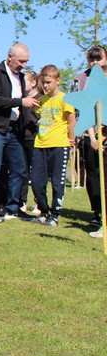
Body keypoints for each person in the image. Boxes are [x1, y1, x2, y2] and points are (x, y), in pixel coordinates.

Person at [0, 43, 39, 223]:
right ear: (10, 56)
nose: (24, 65)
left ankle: (12, 208)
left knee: (20, 169)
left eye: (26, 62)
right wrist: (20, 101)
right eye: (21, 61)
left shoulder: (21, 78)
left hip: (13, 130)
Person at [29, 65, 76, 227]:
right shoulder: (41, 100)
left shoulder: (65, 99)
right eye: (43, 83)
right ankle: (44, 211)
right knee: (36, 181)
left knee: (57, 182)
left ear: (58, 81)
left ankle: (54, 215)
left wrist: (71, 140)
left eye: (49, 82)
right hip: (40, 144)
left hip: (59, 145)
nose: (46, 86)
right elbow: (33, 107)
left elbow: (71, 122)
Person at [71, 45, 107, 238]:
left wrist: (103, 137)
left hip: (105, 135)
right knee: (92, 176)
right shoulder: (81, 78)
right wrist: (92, 138)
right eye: (91, 59)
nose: (95, 63)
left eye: (98, 59)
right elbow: (81, 108)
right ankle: (98, 212)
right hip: (88, 135)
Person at [20, 70, 41, 216]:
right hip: (21, 139)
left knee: (38, 173)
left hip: (36, 140)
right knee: (22, 172)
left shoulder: (41, 99)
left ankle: (39, 203)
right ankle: (22, 202)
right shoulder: (21, 99)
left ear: (33, 83)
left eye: (25, 80)